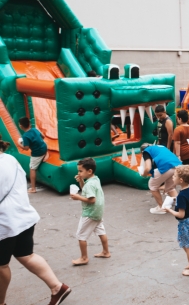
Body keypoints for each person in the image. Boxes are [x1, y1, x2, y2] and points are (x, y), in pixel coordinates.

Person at [0, 137, 71, 305]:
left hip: (5, 223)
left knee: (1, 266)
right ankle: (57, 287)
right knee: (26, 255)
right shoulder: (10, 159)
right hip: (23, 217)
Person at [70, 158, 110, 265]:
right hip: (98, 212)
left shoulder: (90, 184)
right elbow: (86, 191)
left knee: (81, 235)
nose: (78, 173)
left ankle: (84, 258)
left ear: (89, 171)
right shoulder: (95, 179)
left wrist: (78, 197)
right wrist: (81, 181)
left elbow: (91, 200)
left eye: (80, 171)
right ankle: (106, 252)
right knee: (101, 231)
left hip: (90, 213)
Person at [163, 165, 189, 277]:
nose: (173, 178)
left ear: (181, 180)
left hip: (186, 223)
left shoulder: (182, 196)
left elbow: (181, 214)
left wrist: (169, 210)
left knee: (187, 247)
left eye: (174, 176)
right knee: (186, 244)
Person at [140, 143, 181, 214]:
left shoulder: (146, 151)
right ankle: (181, 205)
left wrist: (144, 174)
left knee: (152, 186)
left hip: (165, 167)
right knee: (170, 188)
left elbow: (148, 167)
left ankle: (161, 207)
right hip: (177, 165)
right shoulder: (161, 147)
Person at [18, 117, 48, 193]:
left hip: (37, 153)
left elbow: (26, 148)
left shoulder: (25, 136)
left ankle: (33, 188)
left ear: (21, 126)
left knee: (32, 168)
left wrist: (19, 144)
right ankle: (45, 153)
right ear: (30, 124)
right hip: (44, 147)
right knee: (43, 144)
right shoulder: (34, 129)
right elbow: (43, 137)